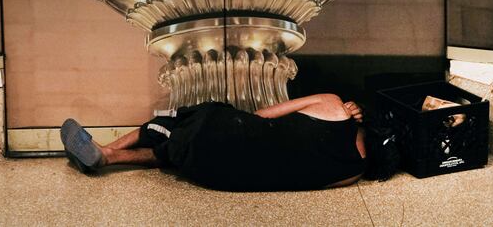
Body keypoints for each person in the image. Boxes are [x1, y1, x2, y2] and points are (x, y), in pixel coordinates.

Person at [60, 93, 400, 191]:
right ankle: (109, 155)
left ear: (365, 118)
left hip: (218, 136)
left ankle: (105, 153)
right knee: (177, 149)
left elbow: (264, 113)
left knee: (178, 121)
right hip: (220, 179)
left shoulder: (333, 105)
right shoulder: (352, 175)